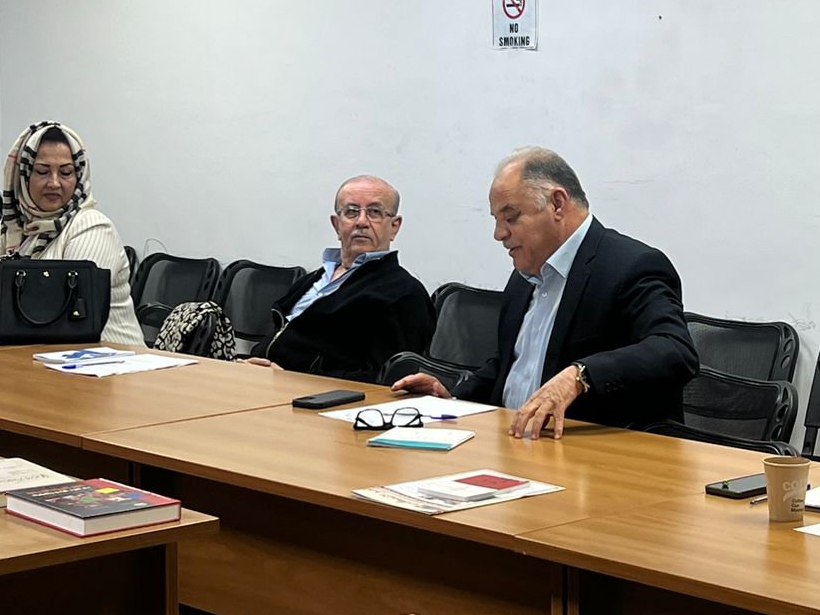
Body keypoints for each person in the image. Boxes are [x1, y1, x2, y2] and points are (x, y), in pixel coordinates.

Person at [393, 147, 697, 438]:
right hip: (515, 443)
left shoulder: (631, 266)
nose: (499, 234)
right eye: (497, 220)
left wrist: (580, 375)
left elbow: (674, 350)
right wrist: (453, 399)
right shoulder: (524, 276)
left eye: (511, 217)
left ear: (557, 204)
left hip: (593, 454)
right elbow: (510, 366)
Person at [0, 122, 144, 347]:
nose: (54, 183)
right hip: (39, 356)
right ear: (23, 174)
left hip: (111, 359)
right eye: (42, 172)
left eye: (66, 172)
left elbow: (64, 311)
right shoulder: (14, 226)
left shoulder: (91, 226)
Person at [251, 176, 434, 383]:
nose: (362, 222)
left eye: (375, 212)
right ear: (337, 224)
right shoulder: (313, 279)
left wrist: (291, 378)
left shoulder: (404, 294)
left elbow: (385, 381)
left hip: (310, 394)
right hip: (261, 381)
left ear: (394, 226)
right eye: (351, 212)